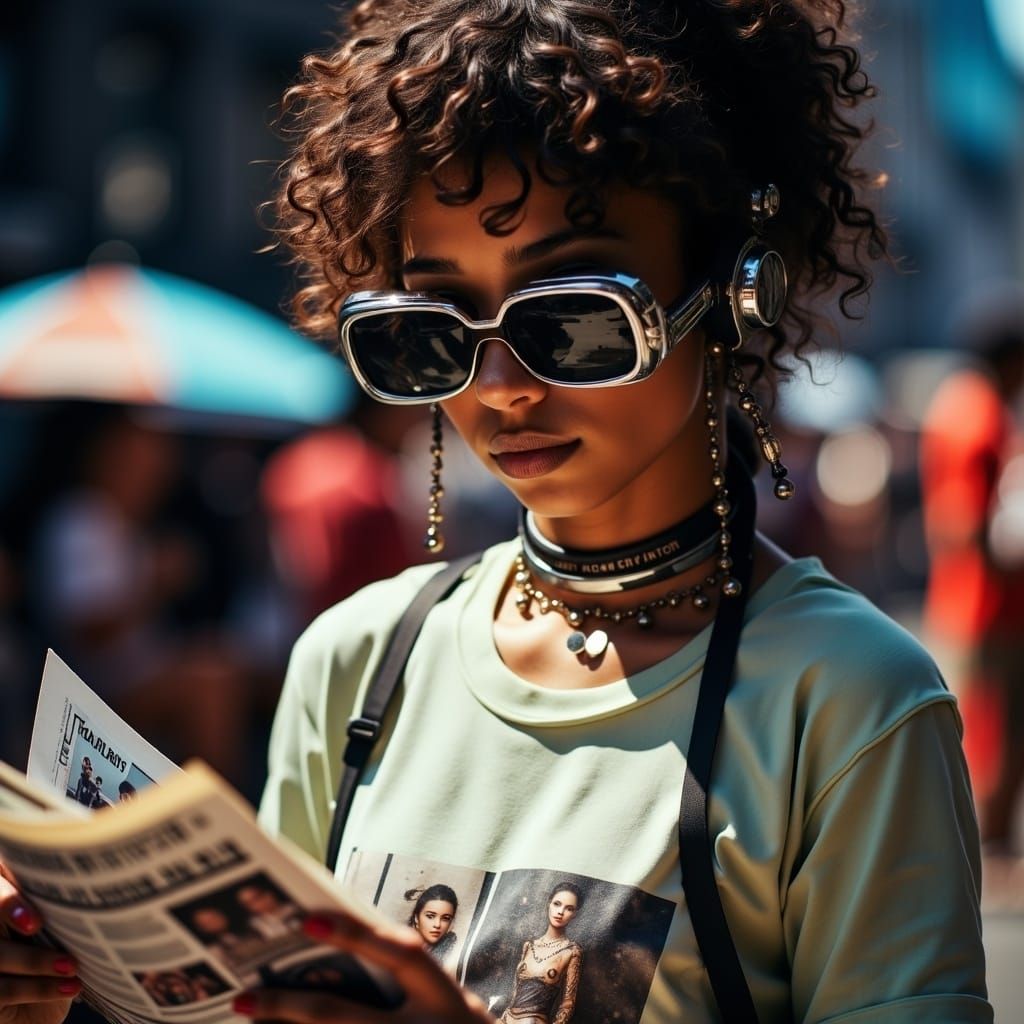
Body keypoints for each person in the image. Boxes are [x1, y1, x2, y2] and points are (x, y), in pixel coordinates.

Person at [0, 2, 991, 1022]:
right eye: (433, 329)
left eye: (573, 314)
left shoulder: (850, 701)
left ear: (735, 295)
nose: (501, 384)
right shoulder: (355, 660)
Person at [920, 286, 1024, 849]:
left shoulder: (958, 404)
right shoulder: (979, 416)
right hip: (986, 608)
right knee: (994, 732)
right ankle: (991, 853)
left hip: (966, 601)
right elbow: (961, 522)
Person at [500, 884, 583, 1024]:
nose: (560, 912)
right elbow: (515, 991)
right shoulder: (529, 946)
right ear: (549, 903)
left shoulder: (572, 951)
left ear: (574, 914)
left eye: (569, 908)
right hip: (506, 1019)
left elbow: (568, 1003)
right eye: (557, 904)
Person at [407, 884, 459, 964]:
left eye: (445, 918)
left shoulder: (453, 951)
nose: (437, 925)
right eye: (430, 916)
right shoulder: (398, 946)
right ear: (416, 918)